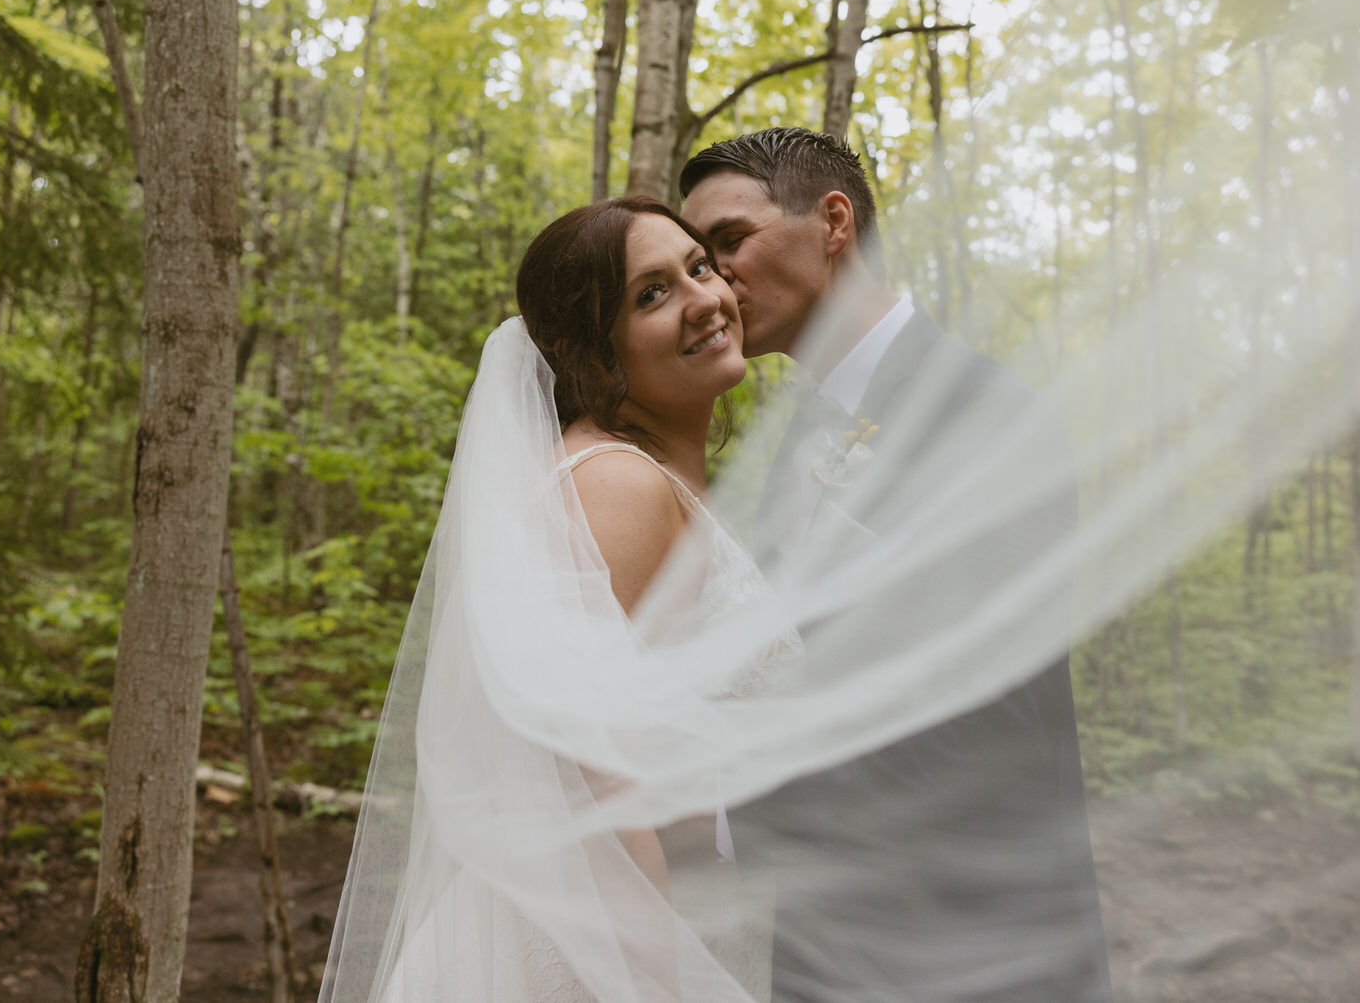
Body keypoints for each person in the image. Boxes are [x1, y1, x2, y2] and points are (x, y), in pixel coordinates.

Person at [680, 127, 1115, 1001]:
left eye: (729, 242)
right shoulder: (802, 431)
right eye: (700, 257)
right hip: (830, 937)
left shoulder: (979, 408)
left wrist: (721, 802)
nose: (714, 281)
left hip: (972, 941)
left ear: (833, 221)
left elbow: (977, 718)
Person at [318, 196, 787, 1002]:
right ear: (593, 353)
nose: (704, 299)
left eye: (698, 267)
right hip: (589, 949)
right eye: (651, 294)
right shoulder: (618, 484)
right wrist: (651, 983)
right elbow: (594, 778)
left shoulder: (651, 478)